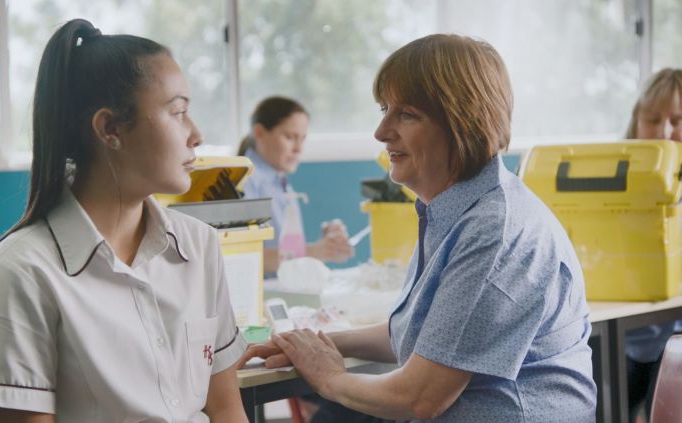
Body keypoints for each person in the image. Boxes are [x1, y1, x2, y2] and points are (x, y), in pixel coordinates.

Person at [240, 34, 597, 422]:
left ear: (464, 121)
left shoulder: (494, 229)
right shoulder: (455, 210)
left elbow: (420, 398)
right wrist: (315, 345)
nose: (381, 131)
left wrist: (328, 377)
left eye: (406, 114)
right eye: (384, 109)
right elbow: (426, 335)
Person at [0, 19, 248, 423]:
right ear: (110, 128)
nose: (195, 134)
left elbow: (226, 409)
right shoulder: (19, 274)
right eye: (178, 111)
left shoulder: (199, 246)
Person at [623, 67, 682, 421]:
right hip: (626, 340)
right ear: (636, 125)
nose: (664, 132)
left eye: (678, 120)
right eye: (653, 119)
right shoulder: (615, 181)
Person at [238, 96, 354, 274]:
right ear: (260, 133)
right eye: (290, 137)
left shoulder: (278, 180)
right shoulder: (243, 182)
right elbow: (243, 256)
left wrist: (326, 247)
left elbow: (282, 250)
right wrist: (314, 252)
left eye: (303, 138)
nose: (299, 149)